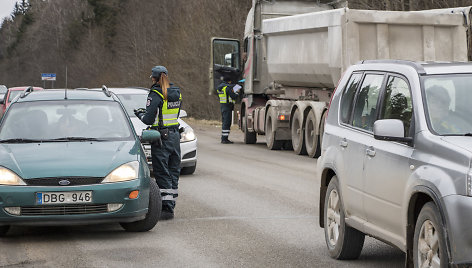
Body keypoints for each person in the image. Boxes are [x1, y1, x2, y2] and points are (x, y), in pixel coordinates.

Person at [134, 66, 182, 220]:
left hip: (161, 138)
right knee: (173, 171)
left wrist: (140, 114)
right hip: (175, 136)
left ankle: (166, 210)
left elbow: (148, 119)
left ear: (154, 78)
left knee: (162, 172)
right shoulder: (176, 92)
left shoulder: (156, 93)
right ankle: (171, 204)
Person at [216, 74, 240, 144]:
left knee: (224, 122)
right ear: (229, 81)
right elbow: (233, 96)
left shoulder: (219, 88)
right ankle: (224, 139)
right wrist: (237, 92)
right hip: (228, 106)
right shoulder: (228, 87)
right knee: (227, 123)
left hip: (223, 106)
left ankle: (224, 138)